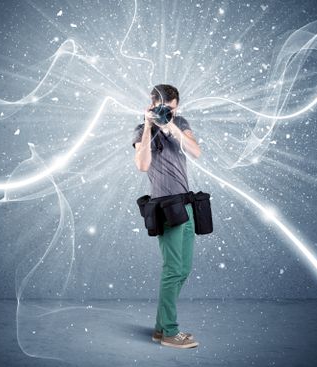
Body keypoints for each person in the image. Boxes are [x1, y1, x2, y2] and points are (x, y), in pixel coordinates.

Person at [132, 84, 201, 349]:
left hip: (186, 204)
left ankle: (161, 329)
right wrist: (150, 125)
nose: (166, 113)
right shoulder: (142, 130)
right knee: (173, 270)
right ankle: (171, 332)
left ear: (176, 107)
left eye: (170, 109)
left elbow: (195, 151)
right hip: (165, 205)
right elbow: (142, 165)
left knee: (183, 269)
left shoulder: (180, 123)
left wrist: (170, 126)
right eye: (162, 109)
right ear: (151, 105)